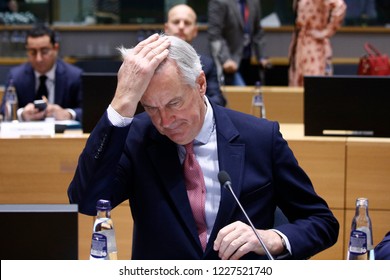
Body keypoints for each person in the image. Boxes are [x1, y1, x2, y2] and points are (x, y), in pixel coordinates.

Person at [67, 33, 339, 260]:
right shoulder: (137, 137)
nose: (165, 121)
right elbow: (87, 201)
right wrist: (121, 102)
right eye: (151, 108)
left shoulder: (260, 138)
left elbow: (321, 222)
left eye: (174, 103)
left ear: (200, 84)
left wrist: (273, 238)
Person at [0, 24, 83, 122]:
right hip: (27, 135)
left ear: (55, 49)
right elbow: (4, 112)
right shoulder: (16, 76)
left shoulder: (74, 76)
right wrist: (21, 114)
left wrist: (68, 114)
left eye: (44, 51)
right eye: (33, 52)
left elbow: (88, 111)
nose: (38, 59)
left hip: (62, 135)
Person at [164, 4, 226, 107]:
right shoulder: (151, 61)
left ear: (195, 31)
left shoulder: (207, 64)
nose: (181, 26)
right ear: (166, 28)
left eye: (187, 23)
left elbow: (218, 100)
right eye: (176, 22)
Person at [207, 0, 269, 86]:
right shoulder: (218, 1)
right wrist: (226, 59)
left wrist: (262, 57)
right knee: (242, 94)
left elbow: (257, 31)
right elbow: (215, 35)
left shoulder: (254, 2)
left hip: (247, 61)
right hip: (228, 62)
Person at [288, 0, 346, 87]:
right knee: (297, 87)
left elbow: (340, 6)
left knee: (313, 86)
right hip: (299, 45)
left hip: (313, 47)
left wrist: (326, 32)